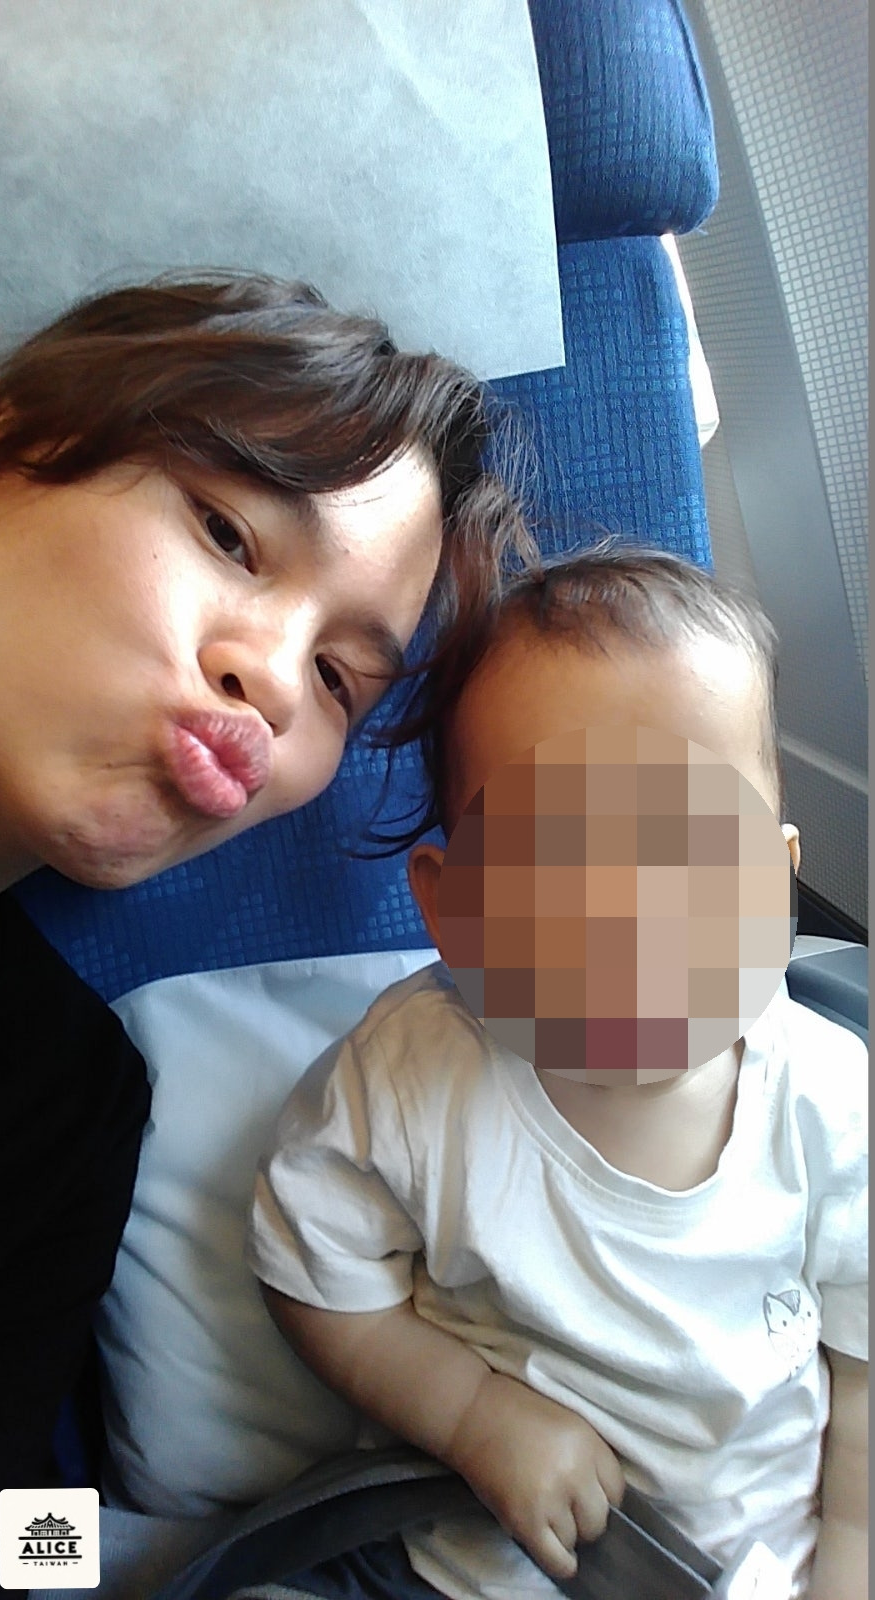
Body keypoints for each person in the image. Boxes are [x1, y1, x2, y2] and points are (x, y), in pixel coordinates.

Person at [0, 271, 532, 1598]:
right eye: (229, 534)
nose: (277, 680)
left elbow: (10, 1521)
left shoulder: (69, 1099)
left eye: (340, 678)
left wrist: (130, 1568)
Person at [249, 544, 868, 1600]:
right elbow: (310, 1266)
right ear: (455, 910)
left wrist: (850, 1557)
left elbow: (860, 1370)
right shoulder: (414, 1076)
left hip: (757, 1566)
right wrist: (471, 1414)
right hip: (465, 1565)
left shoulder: (828, 1098)